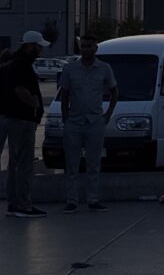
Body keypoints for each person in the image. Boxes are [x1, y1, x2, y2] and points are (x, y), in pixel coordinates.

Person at [60, 34, 118, 213]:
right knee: (72, 164)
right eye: (83, 46)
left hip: (95, 122)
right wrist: (66, 119)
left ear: (96, 48)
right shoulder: (70, 69)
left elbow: (114, 91)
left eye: (89, 46)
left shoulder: (104, 68)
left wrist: (108, 114)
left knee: (94, 164)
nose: (86, 49)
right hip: (74, 123)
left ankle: (93, 199)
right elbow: (64, 95)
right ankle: (72, 200)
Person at [0, 32, 48, 218]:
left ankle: (15, 203)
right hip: (21, 119)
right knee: (24, 163)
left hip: (15, 118)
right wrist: (35, 105)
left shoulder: (14, 64)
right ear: (30, 46)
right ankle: (23, 204)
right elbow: (20, 90)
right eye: (39, 46)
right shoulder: (21, 65)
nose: (41, 50)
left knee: (15, 163)